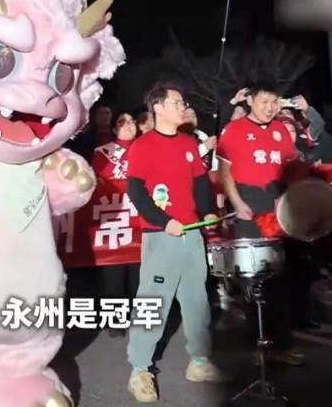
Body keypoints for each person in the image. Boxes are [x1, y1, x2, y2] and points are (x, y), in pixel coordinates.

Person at [125, 81, 229, 403]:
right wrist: (163, 220)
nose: (183, 107)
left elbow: (201, 184)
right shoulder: (142, 146)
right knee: (154, 301)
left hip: (192, 235)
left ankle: (199, 360)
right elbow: (136, 191)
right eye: (177, 102)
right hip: (162, 235)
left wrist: (208, 211)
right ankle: (140, 369)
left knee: (197, 300)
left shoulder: (188, 144)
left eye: (183, 102)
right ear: (157, 107)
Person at [216, 82, 304, 365]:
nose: (270, 107)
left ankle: (282, 344)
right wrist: (237, 202)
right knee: (255, 281)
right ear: (251, 101)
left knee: (280, 279)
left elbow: (292, 169)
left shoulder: (280, 130)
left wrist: (290, 200)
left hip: (277, 207)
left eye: (274, 102)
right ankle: (257, 343)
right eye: (264, 101)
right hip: (248, 207)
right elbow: (225, 172)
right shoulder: (234, 130)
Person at [92, 112, 139, 337]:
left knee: (138, 277)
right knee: (113, 275)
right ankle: (115, 322)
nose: (129, 125)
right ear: (114, 129)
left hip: (139, 224)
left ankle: (140, 321)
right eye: (122, 122)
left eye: (132, 121)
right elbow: (95, 183)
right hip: (113, 222)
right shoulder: (103, 152)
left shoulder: (145, 149)